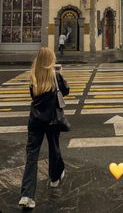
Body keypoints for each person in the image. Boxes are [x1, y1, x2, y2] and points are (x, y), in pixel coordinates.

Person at [19, 47, 69, 209]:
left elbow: (33, 96)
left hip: (35, 120)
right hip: (52, 120)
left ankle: (27, 196)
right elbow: (66, 91)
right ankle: (54, 179)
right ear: (51, 60)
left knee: (31, 157)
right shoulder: (56, 76)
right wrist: (61, 75)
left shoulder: (33, 76)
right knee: (54, 149)